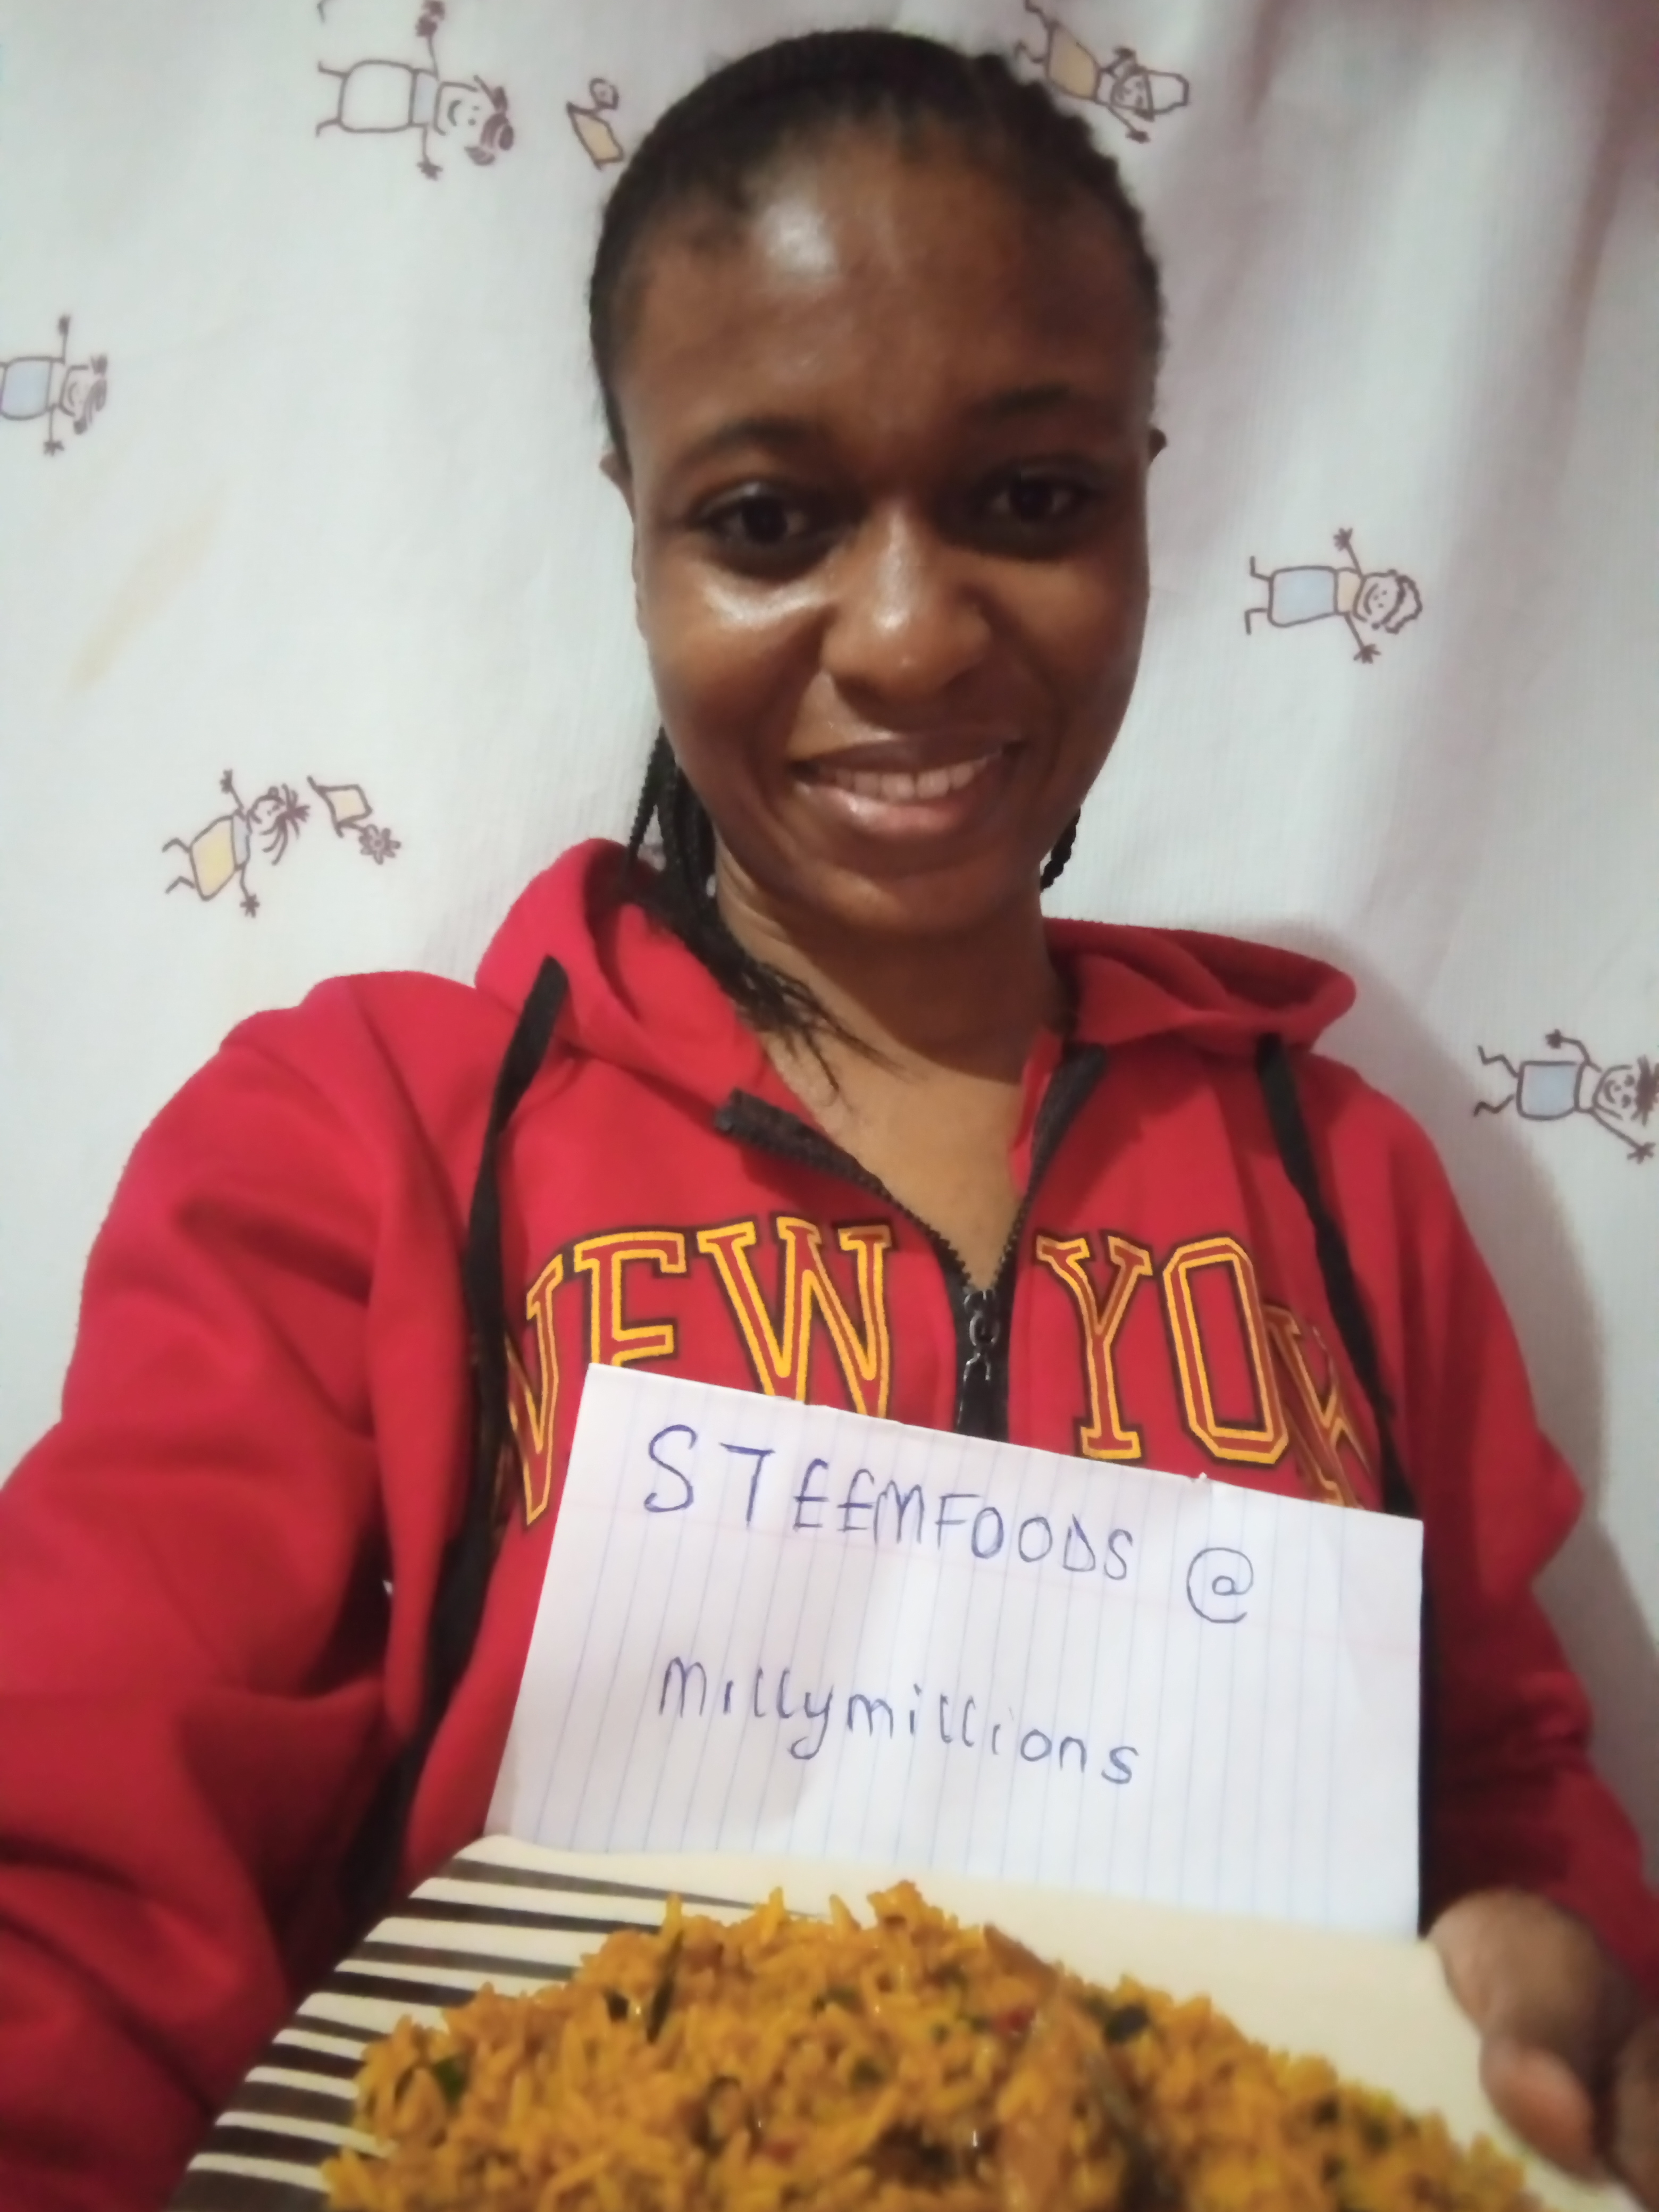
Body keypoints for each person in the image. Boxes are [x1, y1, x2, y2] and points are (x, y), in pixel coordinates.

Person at [1, 28, 1655, 2210]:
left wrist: (1553, 1963)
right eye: (770, 522)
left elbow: (1505, 1789)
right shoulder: (357, 1147)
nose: (907, 634)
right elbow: (77, 1883)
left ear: (1146, 493)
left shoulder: (1343, 1184)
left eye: (1030, 498)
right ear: (635, 524)